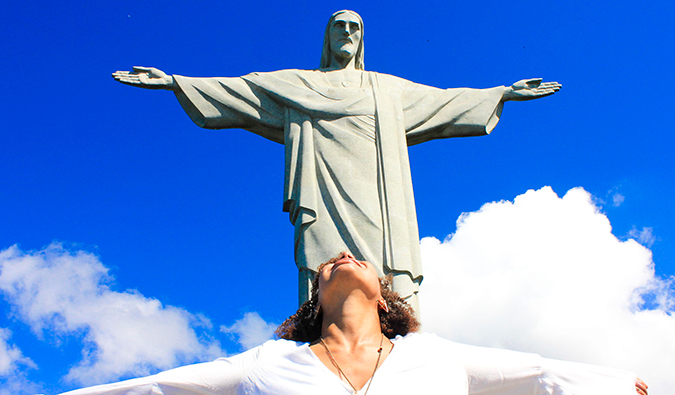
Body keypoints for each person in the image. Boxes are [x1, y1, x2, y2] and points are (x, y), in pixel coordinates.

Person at [112, 10, 562, 313]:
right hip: (322, 190)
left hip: (379, 196)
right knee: (325, 273)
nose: (347, 34)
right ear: (326, 38)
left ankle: (392, 340)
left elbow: (444, 102)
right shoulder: (298, 85)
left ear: (362, 39)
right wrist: (175, 82)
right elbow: (242, 92)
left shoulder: (386, 89)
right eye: (338, 27)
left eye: (355, 29)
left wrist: (501, 92)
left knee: (386, 274)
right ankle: (322, 340)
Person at [61, 252, 647, 395]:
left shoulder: (437, 356)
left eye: (358, 258)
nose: (342, 254)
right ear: (314, 295)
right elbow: (160, 387)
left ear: (386, 299)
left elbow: (539, 372)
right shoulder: (267, 362)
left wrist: (618, 383)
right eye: (331, 263)